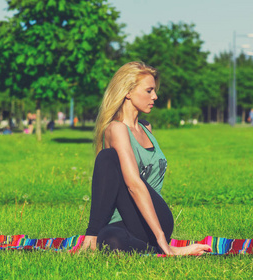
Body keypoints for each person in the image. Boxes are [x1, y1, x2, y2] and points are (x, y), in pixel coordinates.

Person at [80, 62, 211, 256]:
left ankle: (93, 237)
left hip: (155, 219)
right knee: (110, 240)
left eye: (154, 91)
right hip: (124, 222)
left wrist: (162, 238)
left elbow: (134, 184)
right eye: (149, 91)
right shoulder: (116, 129)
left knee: (107, 158)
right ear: (128, 92)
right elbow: (129, 184)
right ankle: (153, 250)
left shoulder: (146, 128)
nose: (155, 97)